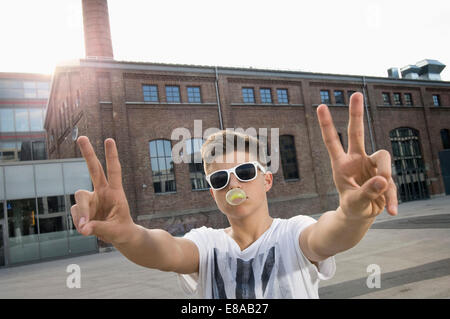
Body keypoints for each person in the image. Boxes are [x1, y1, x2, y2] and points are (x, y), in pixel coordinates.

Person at [71, 92, 398, 298]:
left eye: (244, 173)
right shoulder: (206, 244)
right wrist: (127, 234)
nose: (233, 184)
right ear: (213, 191)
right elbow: (163, 250)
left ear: (266, 180)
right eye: (220, 178)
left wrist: (354, 215)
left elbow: (330, 234)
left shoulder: (293, 233)